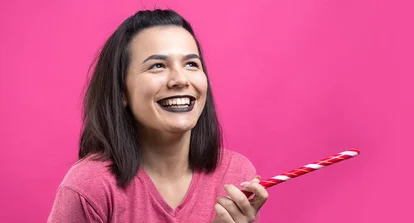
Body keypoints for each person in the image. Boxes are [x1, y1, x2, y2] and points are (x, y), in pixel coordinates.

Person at [47, 9, 268, 223]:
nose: (180, 79)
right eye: (158, 66)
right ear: (121, 91)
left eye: (191, 64)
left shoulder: (236, 174)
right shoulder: (89, 187)